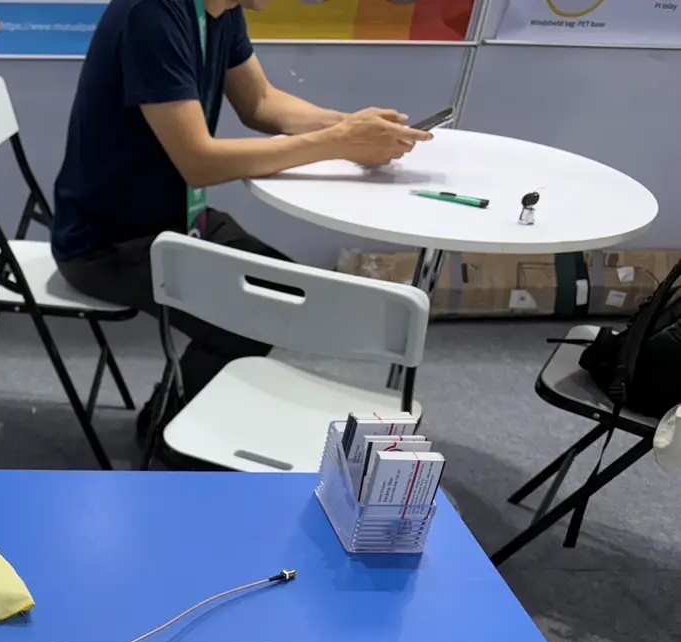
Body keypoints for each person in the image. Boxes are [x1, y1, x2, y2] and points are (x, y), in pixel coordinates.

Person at [52, 0, 433, 454]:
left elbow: (261, 103)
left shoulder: (221, 11)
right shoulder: (151, 15)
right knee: (255, 315)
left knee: (283, 296)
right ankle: (168, 435)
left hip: (177, 222)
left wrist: (352, 127)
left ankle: (180, 415)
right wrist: (338, 142)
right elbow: (198, 161)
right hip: (109, 243)